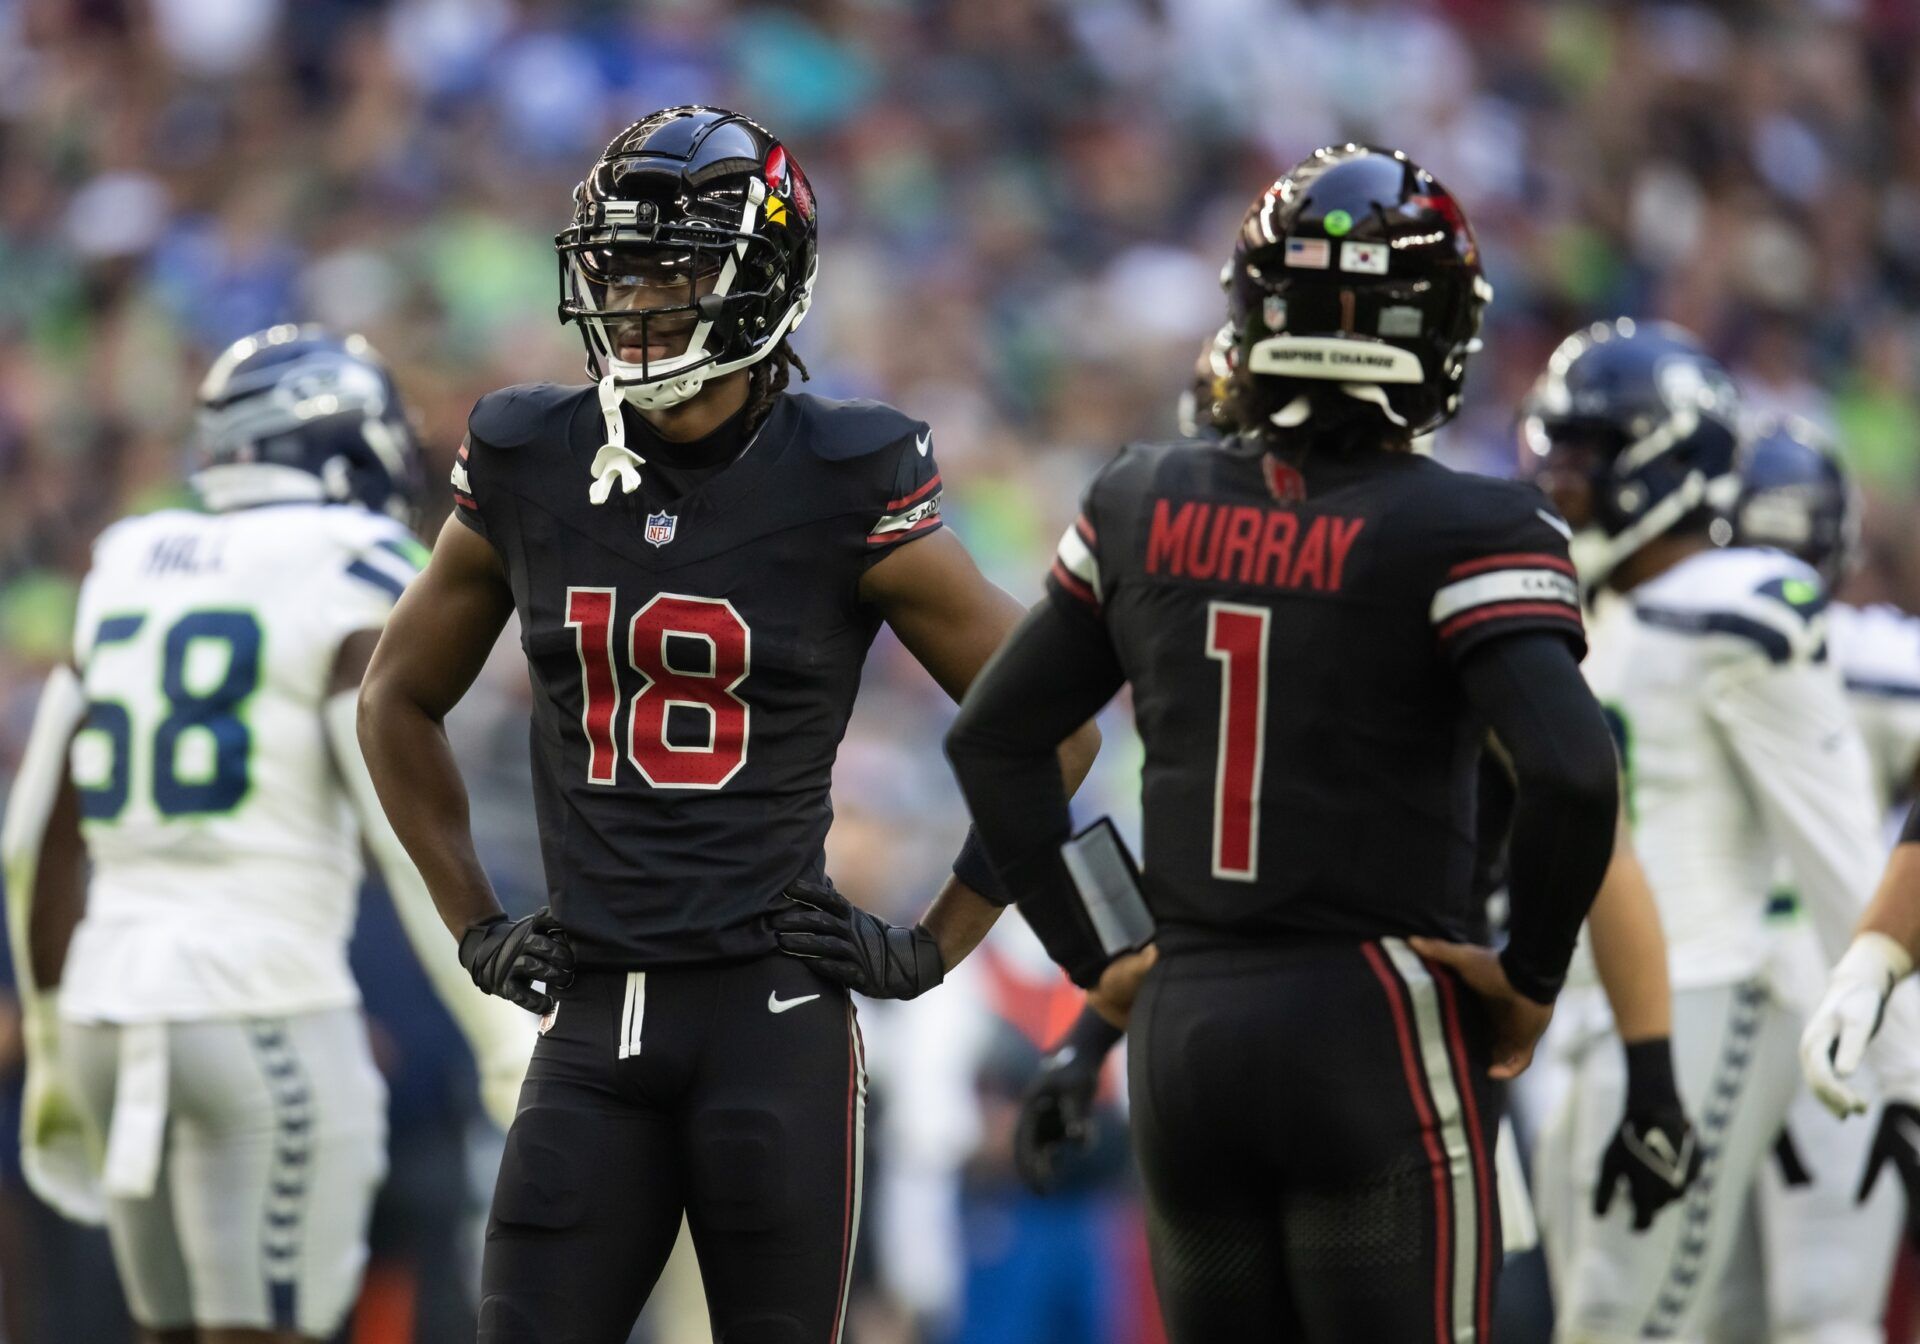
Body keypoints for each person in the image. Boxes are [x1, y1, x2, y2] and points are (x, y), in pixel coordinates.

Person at [354, 106, 1099, 1343]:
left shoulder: (844, 472)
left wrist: (938, 940)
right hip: (588, 1015)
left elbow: (1055, 723)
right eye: (622, 263)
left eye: (678, 265)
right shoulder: (533, 453)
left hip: (774, 1025)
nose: (637, 297)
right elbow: (395, 697)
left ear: (765, 282)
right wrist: (473, 921)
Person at [946, 144, 1620, 1341]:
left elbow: (996, 743)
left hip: (1188, 1031)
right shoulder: (1471, 527)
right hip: (1373, 1020)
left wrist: (1104, 953)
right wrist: (1530, 981)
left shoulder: (1141, 497)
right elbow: (1570, 767)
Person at [1019, 333, 1697, 1259]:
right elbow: (1210, 869)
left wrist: (1646, 1070)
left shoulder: (1422, 565)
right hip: (1325, 1028)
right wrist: (1090, 1034)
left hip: (1405, 1033)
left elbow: (1591, 826)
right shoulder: (1392, 557)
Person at [0, 324, 532, 1344]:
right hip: (264, 1006)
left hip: (113, 1009)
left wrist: (61, 1054)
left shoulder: (127, 558)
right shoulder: (358, 563)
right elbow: (403, 831)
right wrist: (506, 1038)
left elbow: (37, 836)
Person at [1519, 320, 1900, 1340]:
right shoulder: (1587, 608)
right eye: (1550, 448)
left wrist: (1898, 1062)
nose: (1559, 479)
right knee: (1603, 1317)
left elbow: (1839, 854)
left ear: (1664, 458)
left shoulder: (1742, 610)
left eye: (1586, 453)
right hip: (1586, 1006)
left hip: (1712, 980)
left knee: (1636, 1321)